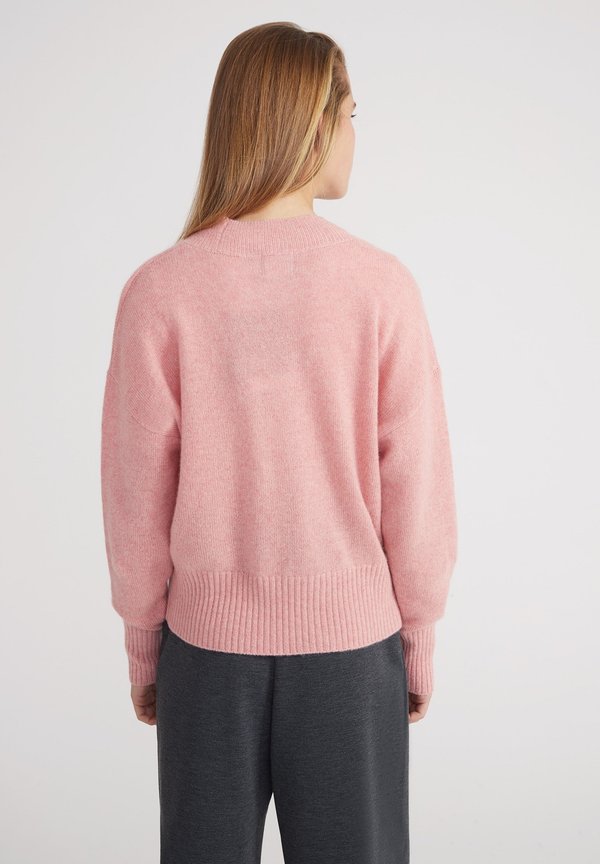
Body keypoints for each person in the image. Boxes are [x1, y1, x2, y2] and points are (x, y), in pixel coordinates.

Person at [100, 20, 458, 864]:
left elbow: (133, 491)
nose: (355, 135)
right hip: (352, 657)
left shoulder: (161, 289)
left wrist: (145, 642)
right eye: (351, 114)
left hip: (204, 658)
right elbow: (417, 480)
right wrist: (417, 636)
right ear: (311, 122)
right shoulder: (381, 287)